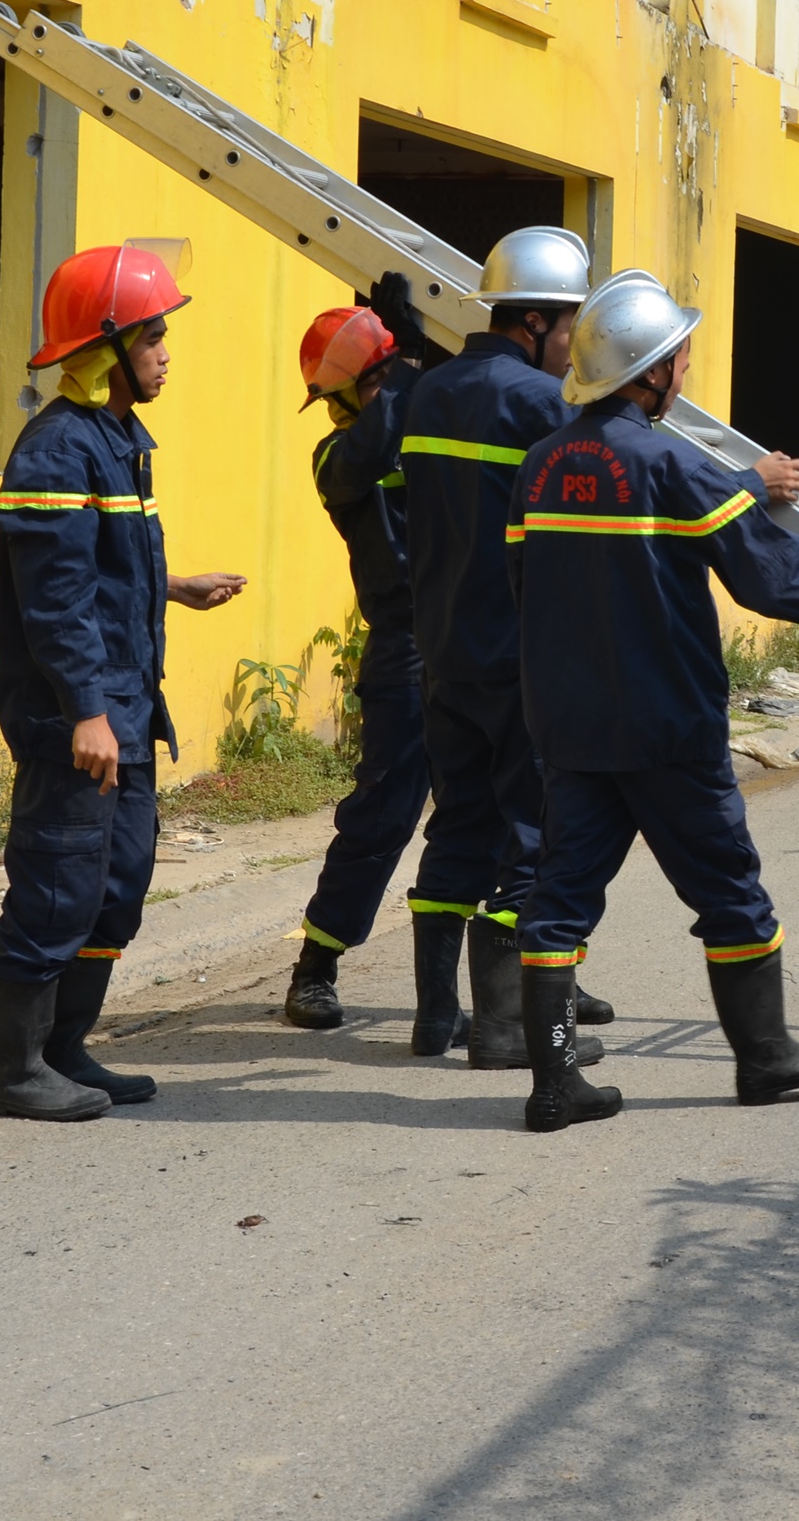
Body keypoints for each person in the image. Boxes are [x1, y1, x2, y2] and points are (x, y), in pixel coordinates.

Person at [505, 270, 799, 1133]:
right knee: (730, 893)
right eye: (680, 359)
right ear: (651, 373)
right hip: (668, 726)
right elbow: (769, 575)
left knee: (558, 902)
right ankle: (765, 1056)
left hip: (570, 726)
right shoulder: (670, 461)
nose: (686, 372)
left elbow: (526, 583)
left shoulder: (541, 465)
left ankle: (554, 1084)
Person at [0, 243, 246, 1121]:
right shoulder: (58, 447)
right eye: (155, 334)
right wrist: (86, 713)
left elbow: (102, 567)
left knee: (117, 884)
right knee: (57, 886)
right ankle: (15, 1073)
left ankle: (65, 1050)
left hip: (126, 706)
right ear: (108, 348)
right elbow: (54, 599)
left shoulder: (118, 439)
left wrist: (175, 585)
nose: (168, 350)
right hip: (78, 717)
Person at [397, 225, 612, 1070]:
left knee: (458, 826)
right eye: (571, 329)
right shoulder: (536, 403)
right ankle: (501, 1028)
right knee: (532, 836)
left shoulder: (427, 394)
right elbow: (628, 475)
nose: (578, 348)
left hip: (442, 649)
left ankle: (434, 1017)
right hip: (522, 657)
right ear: (533, 323)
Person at [279, 276, 479, 1053]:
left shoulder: (420, 413)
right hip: (403, 642)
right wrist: (398, 366)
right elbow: (376, 439)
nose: (331, 411)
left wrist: (406, 357)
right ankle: (314, 966)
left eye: (337, 394)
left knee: (503, 806)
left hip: (473, 635)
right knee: (386, 810)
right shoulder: (338, 454)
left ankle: (525, 966)